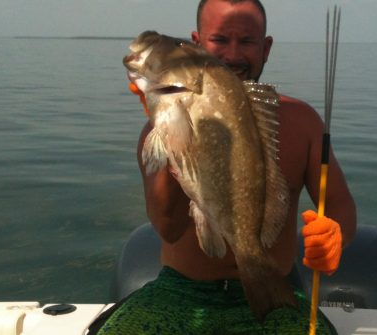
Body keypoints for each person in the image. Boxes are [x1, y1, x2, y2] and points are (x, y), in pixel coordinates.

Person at [96, 0, 356, 334]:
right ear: (197, 43)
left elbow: (339, 202)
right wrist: (169, 132)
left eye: (247, 41)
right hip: (181, 290)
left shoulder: (303, 122)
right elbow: (169, 227)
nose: (233, 54)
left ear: (266, 48)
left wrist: (337, 234)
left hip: (277, 287)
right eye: (220, 39)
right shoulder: (157, 125)